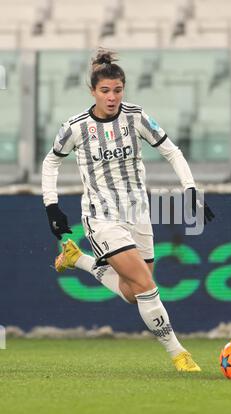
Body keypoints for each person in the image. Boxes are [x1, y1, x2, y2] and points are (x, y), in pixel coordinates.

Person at [42, 48, 215, 372]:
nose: (112, 97)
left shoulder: (135, 117)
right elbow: (51, 160)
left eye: (117, 90)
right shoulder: (76, 127)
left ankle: (77, 259)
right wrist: (51, 205)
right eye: (105, 91)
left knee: (134, 293)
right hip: (101, 217)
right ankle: (179, 354)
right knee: (148, 287)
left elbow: (171, 150)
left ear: (124, 88)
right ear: (92, 91)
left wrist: (190, 188)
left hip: (139, 214)